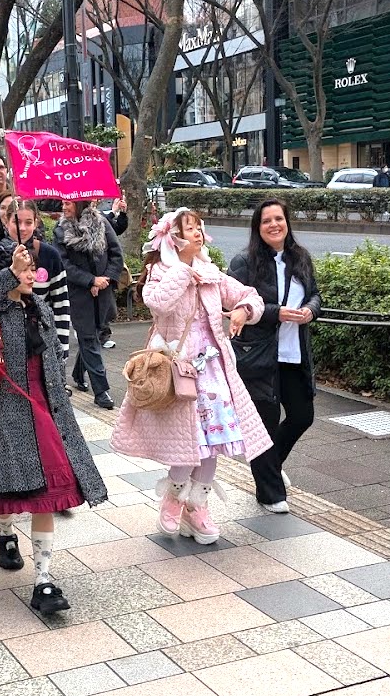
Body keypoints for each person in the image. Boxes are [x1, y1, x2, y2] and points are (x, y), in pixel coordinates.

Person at [0, 243, 108, 614]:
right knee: (8, 490)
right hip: (3, 409)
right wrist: (8, 274)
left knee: (45, 495)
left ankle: (44, 580)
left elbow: (54, 355)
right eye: (22, 268)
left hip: (46, 409)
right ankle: (5, 534)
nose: (29, 274)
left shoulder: (40, 308)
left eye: (30, 267)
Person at [112, 208, 271, 541]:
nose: (198, 233)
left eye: (200, 227)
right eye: (189, 228)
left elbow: (249, 295)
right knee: (190, 441)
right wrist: (183, 268)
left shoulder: (212, 273)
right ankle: (173, 497)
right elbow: (155, 303)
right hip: (176, 368)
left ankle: (197, 505)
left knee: (211, 443)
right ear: (174, 237)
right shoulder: (161, 271)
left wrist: (243, 310)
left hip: (214, 367)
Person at [227, 198, 322, 513]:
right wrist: (275, 312)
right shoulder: (245, 262)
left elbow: (315, 294)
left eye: (278, 219)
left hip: (294, 353)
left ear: (287, 222)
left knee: (302, 415)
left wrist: (310, 310)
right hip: (259, 355)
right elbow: (233, 306)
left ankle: (270, 463)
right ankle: (269, 493)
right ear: (258, 227)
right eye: (266, 220)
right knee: (264, 424)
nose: (274, 225)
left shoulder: (301, 258)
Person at [0, 197, 71, 359]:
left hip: (43, 345)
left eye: (28, 222)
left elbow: (60, 304)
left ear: (36, 222)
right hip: (4, 345)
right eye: (17, 222)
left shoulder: (50, 256)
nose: (23, 228)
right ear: (6, 221)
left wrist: (62, 349)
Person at [54, 200, 122, 409]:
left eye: (68, 204)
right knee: (89, 338)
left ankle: (77, 373)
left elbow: (116, 254)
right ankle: (102, 392)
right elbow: (64, 264)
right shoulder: (60, 230)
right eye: (62, 204)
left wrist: (104, 280)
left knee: (94, 334)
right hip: (77, 293)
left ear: (80, 203)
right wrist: (89, 280)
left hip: (102, 291)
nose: (64, 208)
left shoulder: (101, 223)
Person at [99, 195, 129, 349]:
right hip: (90, 270)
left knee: (106, 304)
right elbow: (102, 223)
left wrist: (122, 214)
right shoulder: (88, 212)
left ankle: (103, 334)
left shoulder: (104, 208)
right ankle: (95, 333)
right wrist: (112, 212)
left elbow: (116, 229)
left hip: (105, 267)